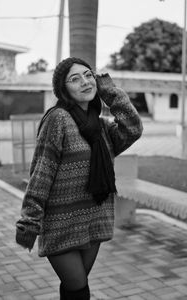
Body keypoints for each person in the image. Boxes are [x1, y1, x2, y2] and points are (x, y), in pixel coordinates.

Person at [16, 57, 143, 300]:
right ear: (64, 90)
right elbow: (42, 171)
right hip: (61, 223)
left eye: (88, 75)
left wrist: (110, 92)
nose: (84, 82)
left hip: (94, 219)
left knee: (74, 289)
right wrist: (29, 221)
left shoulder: (102, 127)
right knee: (78, 287)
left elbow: (133, 128)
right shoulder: (58, 119)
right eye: (75, 79)